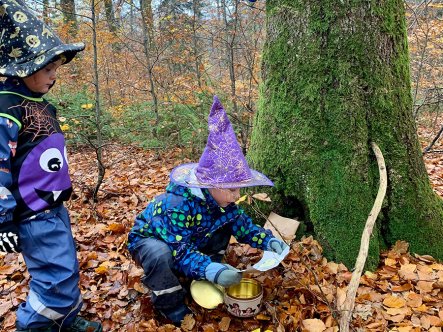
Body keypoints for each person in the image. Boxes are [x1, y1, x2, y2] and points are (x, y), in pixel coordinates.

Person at [127, 95, 289, 325]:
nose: (236, 196)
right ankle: (171, 306)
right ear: (212, 185)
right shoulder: (177, 204)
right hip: (153, 241)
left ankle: (203, 277)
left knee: (224, 225)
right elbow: (179, 249)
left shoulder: (225, 204)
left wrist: (268, 241)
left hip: (191, 239)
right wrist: (211, 268)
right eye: (232, 190)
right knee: (160, 255)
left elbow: (244, 228)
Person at [0, 1, 102, 331]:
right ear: (23, 66)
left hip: (53, 207)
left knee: (65, 269)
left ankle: (65, 321)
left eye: (56, 67)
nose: (54, 75)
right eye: (48, 68)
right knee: (55, 281)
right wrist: (3, 219)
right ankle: (33, 326)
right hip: (32, 214)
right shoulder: (6, 107)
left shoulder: (42, 105)